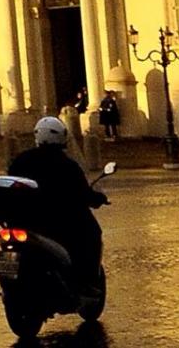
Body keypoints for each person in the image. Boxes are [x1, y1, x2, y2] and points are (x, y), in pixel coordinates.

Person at [7, 117, 107, 280]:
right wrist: (97, 198)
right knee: (92, 234)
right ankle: (85, 281)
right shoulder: (67, 165)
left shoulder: (20, 161)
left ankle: (11, 279)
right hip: (58, 221)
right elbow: (82, 192)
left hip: (26, 220)